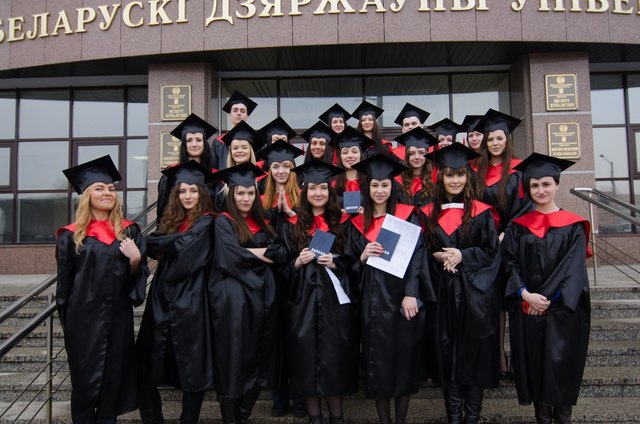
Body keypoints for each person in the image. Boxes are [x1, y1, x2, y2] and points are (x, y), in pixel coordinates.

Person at [57, 155, 148, 424]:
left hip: (118, 320)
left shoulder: (129, 232)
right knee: (84, 388)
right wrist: (69, 324)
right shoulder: (71, 235)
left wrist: (135, 260)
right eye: (99, 188)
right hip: (82, 323)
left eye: (111, 188)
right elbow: (64, 286)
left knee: (112, 387)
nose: (107, 192)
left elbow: (136, 280)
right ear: (87, 196)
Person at [502, 153, 591, 424]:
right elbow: (509, 263)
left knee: (562, 370)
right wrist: (524, 294)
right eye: (534, 185)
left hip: (564, 312)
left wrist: (548, 301)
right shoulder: (518, 227)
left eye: (546, 184)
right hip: (528, 310)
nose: (540, 190)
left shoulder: (574, 226)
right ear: (528, 189)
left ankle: (563, 418)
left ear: (556, 184)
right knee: (535, 369)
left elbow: (573, 269)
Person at [348, 154, 434, 424]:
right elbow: (348, 265)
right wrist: (362, 257)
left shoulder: (406, 217)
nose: (379, 190)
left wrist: (411, 293)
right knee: (378, 363)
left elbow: (417, 257)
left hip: (401, 299)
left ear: (392, 186)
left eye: (384, 185)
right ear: (367, 188)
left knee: (403, 361)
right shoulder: (357, 222)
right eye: (374, 185)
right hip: (371, 302)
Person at [420, 143, 501, 424]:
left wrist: (463, 255)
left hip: (475, 296)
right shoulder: (427, 213)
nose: (455, 180)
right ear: (440, 177)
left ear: (468, 177)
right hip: (442, 295)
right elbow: (420, 252)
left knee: (474, 354)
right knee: (447, 355)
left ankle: (472, 416)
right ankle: (454, 417)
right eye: (449, 175)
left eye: (460, 175)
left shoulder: (482, 212)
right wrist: (436, 255)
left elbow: (492, 252)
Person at [280, 160, 359, 424]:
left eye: (323, 188)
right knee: (306, 360)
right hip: (302, 302)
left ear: (330, 191)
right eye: (312, 188)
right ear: (305, 192)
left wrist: (335, 262)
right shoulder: (292, 224)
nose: (317, 193)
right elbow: (281, 267)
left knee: (334, 359)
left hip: (335, 303)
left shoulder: (343, 222)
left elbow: (354, 261)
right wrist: (297, 263)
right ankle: (314, 417)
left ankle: (337, 417)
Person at [136, 161, 216, 424]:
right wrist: (169, 243)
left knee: (193, 364)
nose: (187, 196)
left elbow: (187, 253)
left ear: (202, 193)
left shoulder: (208, 221)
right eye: (182, 191)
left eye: (193, 190)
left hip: (193, 297)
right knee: (147, 360)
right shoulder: (171, 220)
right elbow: (150, 244)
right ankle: (153, 419)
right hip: (161, 296)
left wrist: (164, 245)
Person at [210, 162, 289, 424]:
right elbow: (227, 257)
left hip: (265, 299)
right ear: (231, 195)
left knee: (260, 358)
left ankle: (243, 416)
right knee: (234, 361)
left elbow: (281, 252)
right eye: (241, 193)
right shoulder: (223, 221)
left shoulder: (263, 223)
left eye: (250, 193)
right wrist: (262, 254)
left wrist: (247, 252)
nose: (246, 198)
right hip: (233, 301)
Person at [472, 108, 533, 378]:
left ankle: (517, 357)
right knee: (491, 301)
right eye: (490, 139)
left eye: (499, 138)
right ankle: (496, 354)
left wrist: (506, 232)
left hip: (509, 242)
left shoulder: (519, 170)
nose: (495, 143)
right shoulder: (475, 170)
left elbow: (526, 207)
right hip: (483, 243)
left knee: (509, 298)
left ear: (507, 139)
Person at [256, 140, 307, 418]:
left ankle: (299, 399)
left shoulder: (302, 199)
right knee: (275, 340)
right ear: (269, 169)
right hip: (270, 278)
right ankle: (278, 398)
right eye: (275, 166)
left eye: (286, 166)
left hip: (297, 277)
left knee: (296, 340)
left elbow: (309, 232)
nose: (280, 171)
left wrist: (290, 214)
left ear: (292, 169)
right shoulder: (260, 200)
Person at [157, 113, 217, 221]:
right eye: (189, 140)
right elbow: (163, 209)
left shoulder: (214, 175)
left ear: (204, 143)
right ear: (184, 144)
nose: (194, 144)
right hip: (176, 226)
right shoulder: (171, 173)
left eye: (198, 140)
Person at [213, 121, 266, 211]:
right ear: (230, 152)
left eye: (244, 147)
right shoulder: (223, 183)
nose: (239, 151)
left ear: (250, 151)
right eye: (235, 148)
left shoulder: (262, 180)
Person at [212, 90, 259, 170]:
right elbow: (213, 169)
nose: (239, 113)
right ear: (229, 114)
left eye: (242, 111)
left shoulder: (256, 142)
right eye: (235, 110)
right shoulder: (218, 143)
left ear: (247, 115)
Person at [394, 127, 438, 207]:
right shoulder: (397, 182)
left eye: (421, 153)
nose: (417, 157)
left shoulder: (434, 181)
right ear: (407, 156)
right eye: (412, 153)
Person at [331, 127, 373, 209]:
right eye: (345, 152)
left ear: (360, 155)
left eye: (354, 152)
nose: (350, 156)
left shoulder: (371, 180)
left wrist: (367, 212)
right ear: (340, 157)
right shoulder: (332, 182)